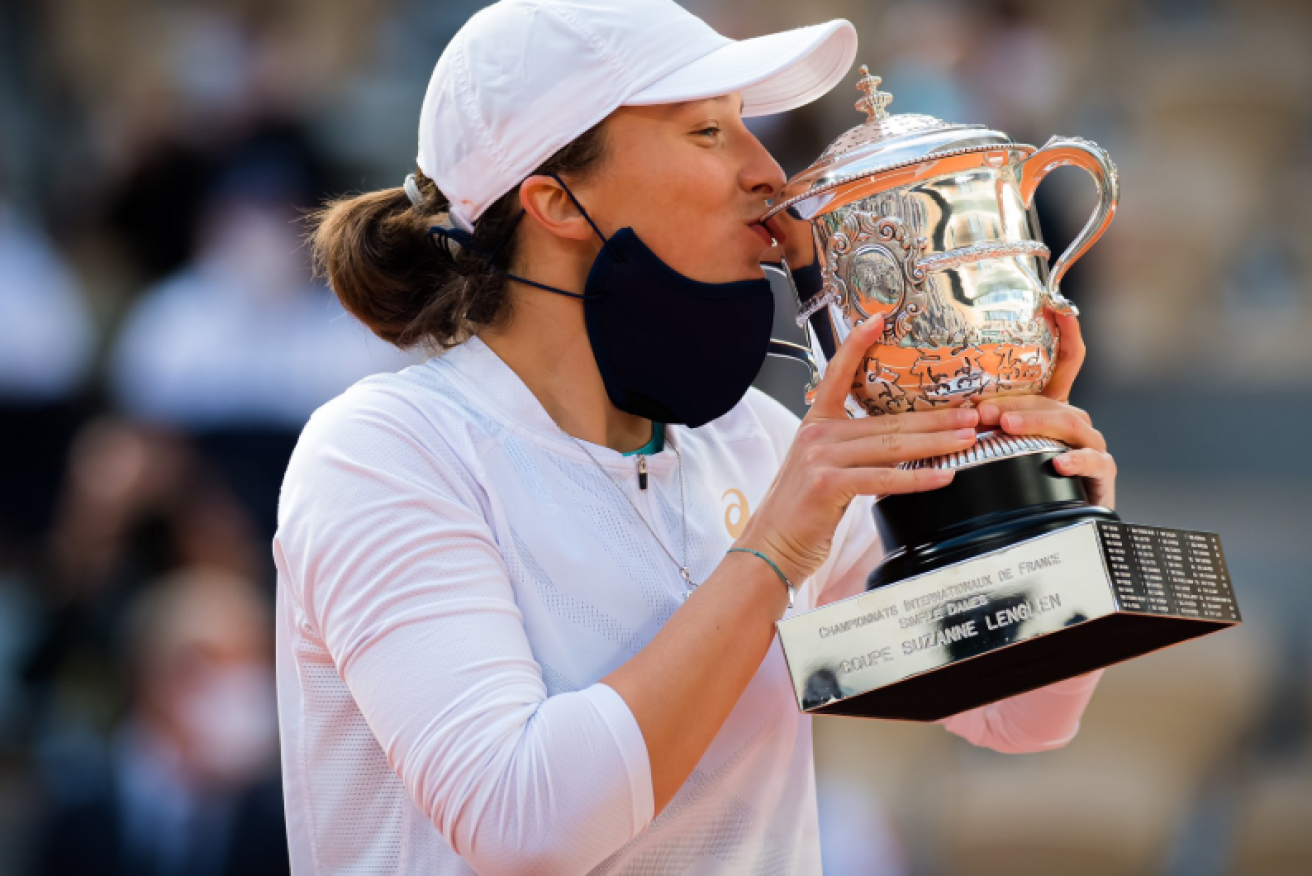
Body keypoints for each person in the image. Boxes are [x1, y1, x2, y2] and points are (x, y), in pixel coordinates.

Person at [276, 2, 1118, 874]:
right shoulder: (382, 452)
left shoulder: (757, 442)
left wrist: (1040, 503)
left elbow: (1017, 712)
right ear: (557, 200)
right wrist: (776, 551)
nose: (771, 174)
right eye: (710, 131)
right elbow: (523, 823)